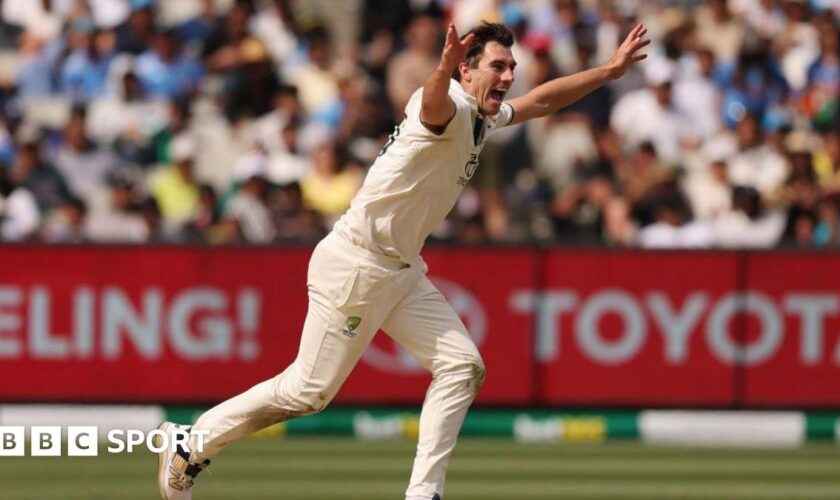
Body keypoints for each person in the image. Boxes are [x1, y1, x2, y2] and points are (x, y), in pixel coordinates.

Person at [154, 21, 649, 500]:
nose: (509, 76)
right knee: (308, 394)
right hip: (356, 264)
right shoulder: (449, 106)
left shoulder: (480, 114)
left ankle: (423, 494)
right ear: (466, 71)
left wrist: (607, 71)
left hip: (401, 269)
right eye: (498, 66)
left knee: (461, 366)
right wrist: (441, 68)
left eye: (512, 66)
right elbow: (434, 102)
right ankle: (192, 440)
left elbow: (541, 101)